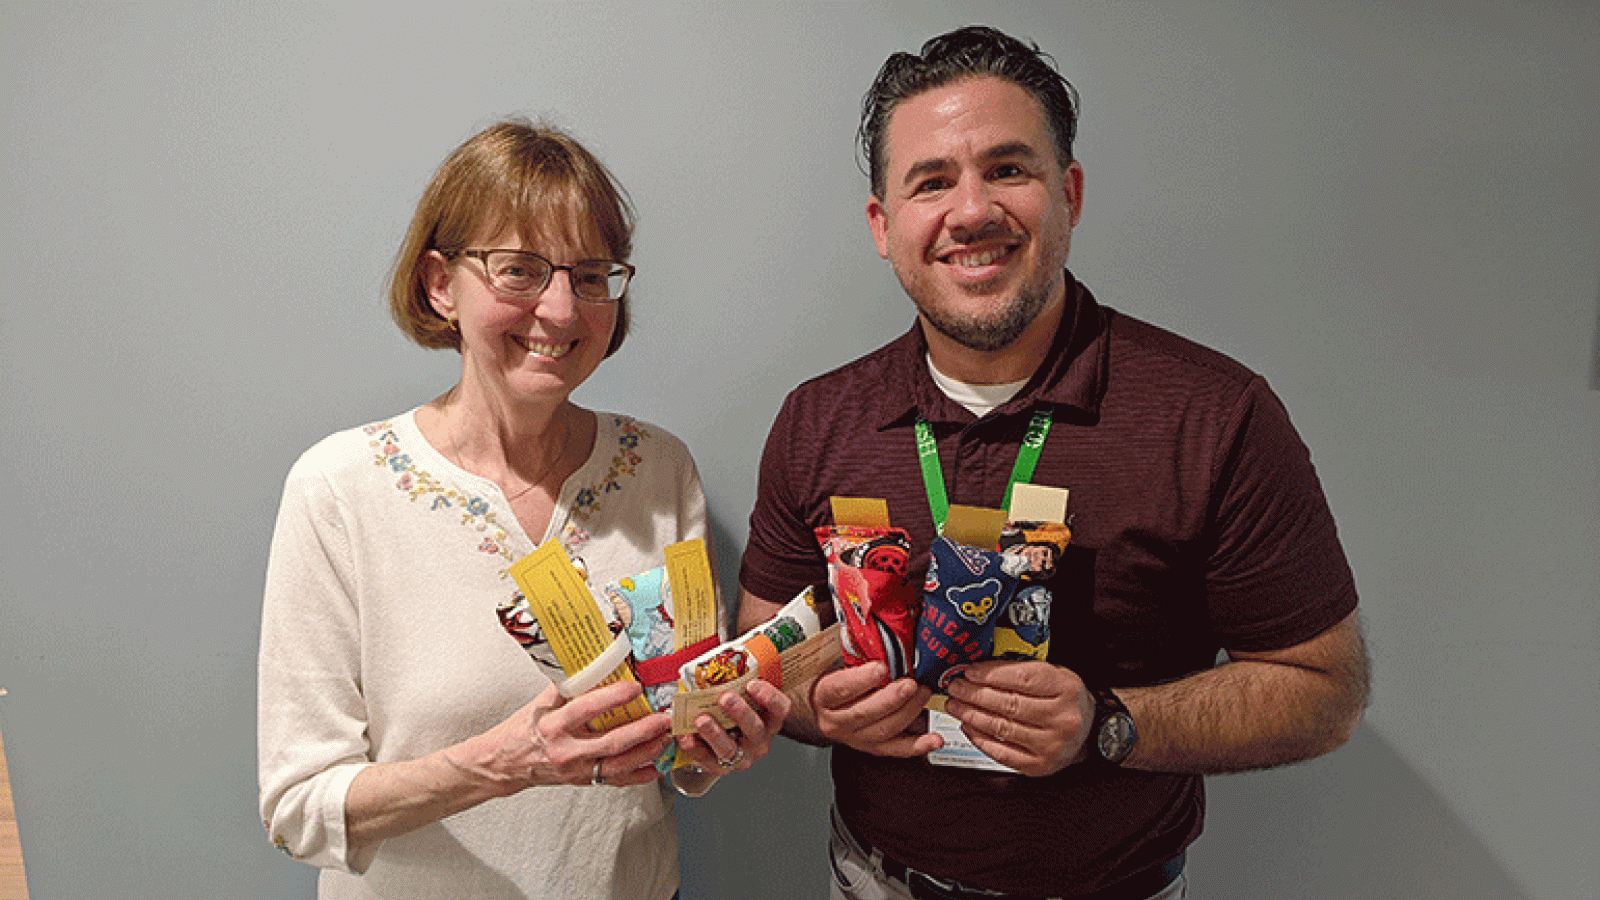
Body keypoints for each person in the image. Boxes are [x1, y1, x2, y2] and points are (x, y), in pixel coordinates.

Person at [737, 26, 1369, 900]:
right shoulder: (818, 419)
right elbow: (768, 656)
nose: (971, 212)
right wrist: (818, 705)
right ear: (884, 226)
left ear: (1067, 193)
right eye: (931, 182)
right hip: (872, 879)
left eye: (1008, 169)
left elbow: (1326, 690)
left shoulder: (1215, 415)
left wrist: (1109, 723)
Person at [258, 119, 789, 900]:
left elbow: (677, 761)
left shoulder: (659, 470)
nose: (562, 311)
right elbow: (300, 810)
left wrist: (715, 743)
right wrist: (507, 763)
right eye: (519, 270)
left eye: (590, 275)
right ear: (440, 284)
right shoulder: (339, 489)